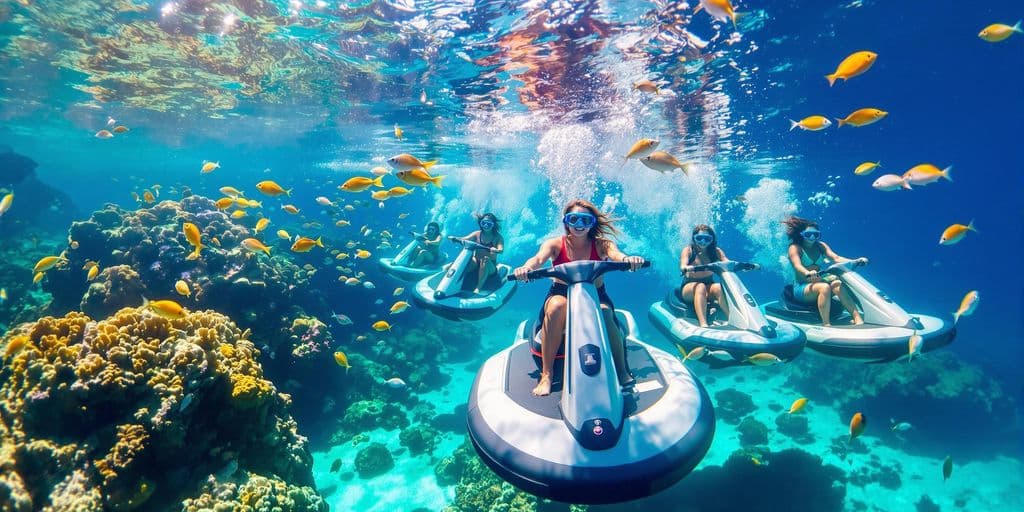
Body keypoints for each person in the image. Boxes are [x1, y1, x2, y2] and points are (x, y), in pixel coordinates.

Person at [513, 199, 645, 397]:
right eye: (573, 219)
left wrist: (628, 260)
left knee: (604, 312)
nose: (579, 225)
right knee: (557, 306)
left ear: (592, 223)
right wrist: (526, 268)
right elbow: (538, 259)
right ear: (566, 221)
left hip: (595, 295)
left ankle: (622, 370)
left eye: (585, 220)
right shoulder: (555, 244)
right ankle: (547, 375)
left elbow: (617, 255)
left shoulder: (602, 244)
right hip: (561, 293)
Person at [784, 216, 864, 326]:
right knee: (824, 287)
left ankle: (857, 318)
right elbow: (797, 265)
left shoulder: (821, 246)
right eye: (808, 234)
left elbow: (836, 258)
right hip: (801, 287)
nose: (812, 237)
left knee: (837, 283)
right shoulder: (795, 247)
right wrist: (807, 273)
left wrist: (855, 261)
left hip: (818, 281)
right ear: (801, 234)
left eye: (816, 234)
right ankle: (826, 323)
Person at [679, 224, 730, 328]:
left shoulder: (716, 251)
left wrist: (740, 266)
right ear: (694, 238)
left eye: (707, 239)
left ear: (712, 239)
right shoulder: (688, 250)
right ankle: (704, 324)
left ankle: (732, 319)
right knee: (700, 287)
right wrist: (685, 268)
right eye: (699, 238)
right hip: (689, 287)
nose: (703, 241)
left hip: (708, 285)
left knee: (719, 287)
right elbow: (683, 264)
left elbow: (727, 261)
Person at [456, 213, 504, 294]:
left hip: (490, 266)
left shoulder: (498, 237)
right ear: (480, 223)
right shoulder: (477, 234)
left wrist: (496, 250)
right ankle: (456, 281)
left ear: (493, 225)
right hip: (476, 261)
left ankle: (478, 288)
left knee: (485, 260)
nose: (486, 225)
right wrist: (455, 238)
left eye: (489, 224)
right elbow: (465, 239)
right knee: (467, 260)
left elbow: (501, 250)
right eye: (484, 223)